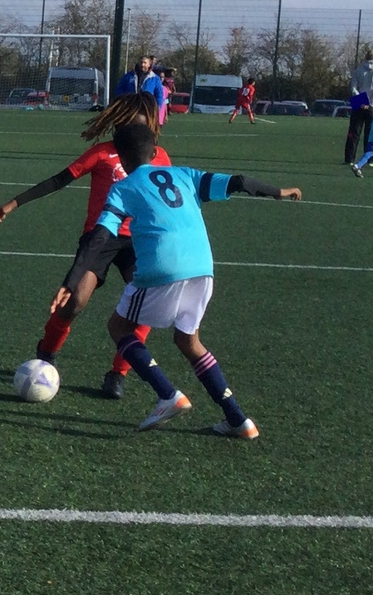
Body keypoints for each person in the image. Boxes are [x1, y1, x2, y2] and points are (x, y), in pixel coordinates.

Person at [96, 120, 302, 437]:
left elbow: (101, 234)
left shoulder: (123, 187)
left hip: (162, 270)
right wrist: (277, 192)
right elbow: (239, 181)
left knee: (118, 327)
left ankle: (167, 395)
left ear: (121, 157)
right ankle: (238, 420)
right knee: (188, 341)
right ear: (154, 152)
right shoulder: (184, 175)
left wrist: (74, 279)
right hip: (203, 268)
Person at [0, 92, 169, 399]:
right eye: (131, 123)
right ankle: (46, 353)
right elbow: (60, 180)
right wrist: (14, 202)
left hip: (139, 242)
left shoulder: (160, 157)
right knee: (75, 302)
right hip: (99, 238)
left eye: (143, 125)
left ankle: (118, 373)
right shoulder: (102, 153)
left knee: (145, 306)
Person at [345, 48, 373, 163]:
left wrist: (361, 101)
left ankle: (349, 158)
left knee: (353, 133)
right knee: (370, 134)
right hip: (372, 106)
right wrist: (369, 102)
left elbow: (353, 87)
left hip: (358, 104)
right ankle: (369, 159)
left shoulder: (358, 70)